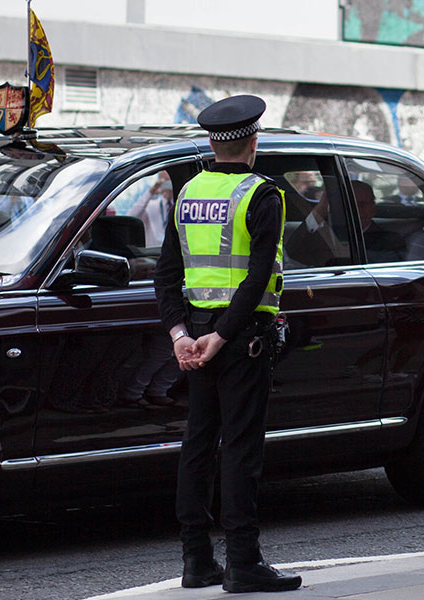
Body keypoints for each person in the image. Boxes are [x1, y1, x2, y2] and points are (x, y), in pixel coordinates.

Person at [154, 94, 300, 593]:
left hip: (195, 336)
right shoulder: (263, 195)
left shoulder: (188, 192)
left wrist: (182, 335)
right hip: (240, 340)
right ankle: (242, 562)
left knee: (198, 443)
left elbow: (167, 274)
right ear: (253, 142)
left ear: (215, 144)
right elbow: (258, 276)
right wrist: (223, 335)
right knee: (240, 449)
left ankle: (196, 560)